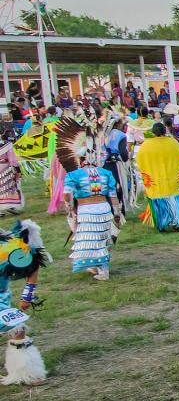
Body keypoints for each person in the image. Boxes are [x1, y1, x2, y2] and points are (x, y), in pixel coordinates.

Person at [56, 120, 124, 282]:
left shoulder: (74, 175)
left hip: (87, 212)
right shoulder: (105, 173)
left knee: (89, 241)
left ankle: (102, 270)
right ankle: (98, 267)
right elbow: (113, 195)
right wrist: (116, 212)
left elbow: (67, 194)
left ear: (80, 159)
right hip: (104, 209)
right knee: (101, 240)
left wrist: (70, 209)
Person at [135, 122, 179, 232]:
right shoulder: (173, 143)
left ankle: (161, 224)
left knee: (158, 200)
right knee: (175, 199)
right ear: (164, 131)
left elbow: (139, 160)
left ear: (153, 132)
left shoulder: (146, 145)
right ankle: (177, 222)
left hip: (155, 180)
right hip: (172, 178)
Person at [0, 138, 24, 214]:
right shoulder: (7, 145)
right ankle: (10, 205)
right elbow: (13, 160)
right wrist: (18, 171)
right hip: (4, 168)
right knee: (8, 187)